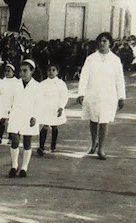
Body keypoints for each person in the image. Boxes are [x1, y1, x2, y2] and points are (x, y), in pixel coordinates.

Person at [77, 32, 126, 160]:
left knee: (104, 121)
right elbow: (84, 76)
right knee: (93, 120)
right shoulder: (91, 58)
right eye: (100, 41)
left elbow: (119, 79)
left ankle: (101, 148)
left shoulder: (115, 60)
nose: (102, 43)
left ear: (110, 43)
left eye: (104, 41)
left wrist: (121, 96)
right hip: (93, 93)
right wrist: (81, 93)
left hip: (108, 95)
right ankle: (93, 144)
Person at [7, 59, 42, 178]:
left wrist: (35, 116)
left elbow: (39, 103)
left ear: (32, 71)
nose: (22, 73)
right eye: (21, 70)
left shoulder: (37, 86)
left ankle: (24, 167)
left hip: (29, 116)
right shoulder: (15, 84)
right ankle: (14, 165)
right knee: (15, 140)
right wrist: (8, 110)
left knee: (27, 141)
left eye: (25, 70)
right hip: (16, 114)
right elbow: (9, 99)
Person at [37, 62, 69, 155]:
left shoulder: (61, 83)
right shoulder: (43, 83)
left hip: (55, 107)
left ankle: (53, 145)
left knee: (54, 126)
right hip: (46, 107)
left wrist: (61, 107)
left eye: (53, 70)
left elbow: (64, 96)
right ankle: (41, 147)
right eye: (49, 70)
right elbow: (39, 96)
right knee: (45, 126)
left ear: (57, 72)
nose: (51, 72)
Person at [0, 63, 19, 144]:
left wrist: (14, 104)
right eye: (5, 71)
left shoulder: (17, 82)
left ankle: (10, 138)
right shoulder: (3, 81)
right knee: (2, 120)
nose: (7, 73)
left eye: (9, 71)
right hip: (4, 102)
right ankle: (0, 136)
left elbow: (17, 93)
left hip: (12, 102)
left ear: (13, 72)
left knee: (11, 120)